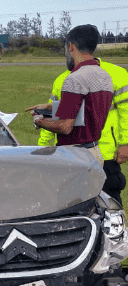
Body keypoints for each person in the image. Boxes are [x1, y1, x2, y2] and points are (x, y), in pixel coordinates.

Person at [33, 57, 128, 203]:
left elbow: (126, 111)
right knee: (72, 202)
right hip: (70, 155)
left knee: (108, 202)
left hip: (106, 154)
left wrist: (125, 143)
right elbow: (54, 115)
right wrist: (43, 146)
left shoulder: (116, 73)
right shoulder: (63, 79)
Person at [26, 24, 114, 168]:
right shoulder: (105, 76)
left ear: (71, 46)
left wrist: (39, 121)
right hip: (95, 152)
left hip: (75, 155)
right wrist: (52, 106)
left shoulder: (74, 78)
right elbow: (87, 109)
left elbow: (65, 127)